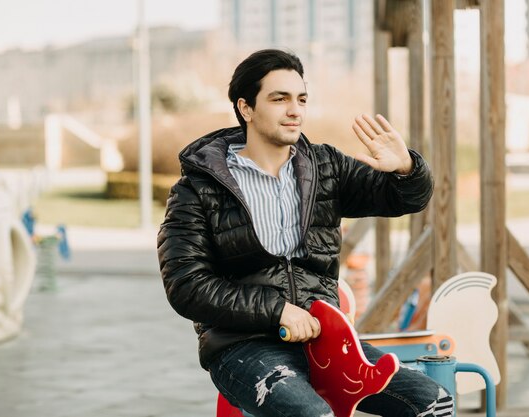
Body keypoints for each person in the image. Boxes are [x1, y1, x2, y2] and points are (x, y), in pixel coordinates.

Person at [157, 49, 453, 417]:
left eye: (301, 99)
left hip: (328, 341)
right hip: (242, 346)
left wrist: (407, 168)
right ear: (246, 108)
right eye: (279, 99)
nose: (295, 110)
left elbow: (403, 198)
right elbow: (187, 286)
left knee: (433, 403)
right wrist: (277, 310)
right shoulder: (197, 190)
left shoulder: (324, 166)